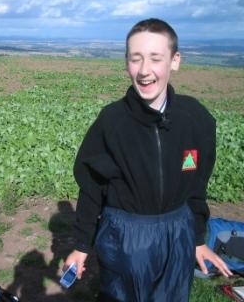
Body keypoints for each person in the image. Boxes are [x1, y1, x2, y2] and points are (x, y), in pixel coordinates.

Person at [64, 18, 232, 301]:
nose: (144, 70)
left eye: (156, 58)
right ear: (126, 62)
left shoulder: (197, 120)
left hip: (177, 233)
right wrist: (82, 245)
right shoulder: (111, 122)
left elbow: (195, 188)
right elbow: (92, 187)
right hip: (125, 238)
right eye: (135, 59)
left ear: (175, 60)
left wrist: (198, 240)